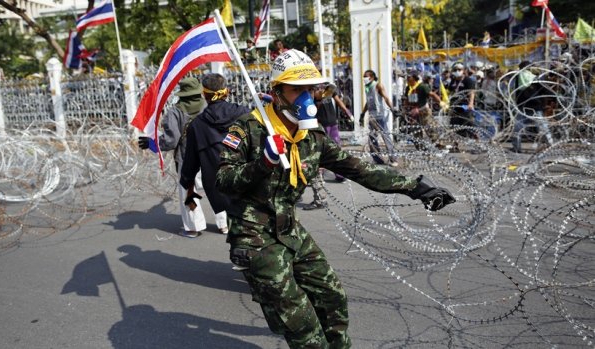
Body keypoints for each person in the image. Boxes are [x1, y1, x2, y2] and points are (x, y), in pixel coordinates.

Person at [215, 49, 456, 348]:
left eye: (310, 89)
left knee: (332, 297)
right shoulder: (249, 129)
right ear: (276, 93)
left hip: (289, 230)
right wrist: (261, 163)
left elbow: (362, 171)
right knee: (300, 321)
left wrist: (415, 187)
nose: (307, 98)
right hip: (255, 237)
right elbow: (223, 180)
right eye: (296, 90)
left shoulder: (312, 138)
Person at [180, 73, 250, 235]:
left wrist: (187, 183)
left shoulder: (196, 125)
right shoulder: (244, 113)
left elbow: (190, 162)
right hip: (245, 178)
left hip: (216, 183)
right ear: (226, 91)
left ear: (204, 95)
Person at [138, 78, 208, 237]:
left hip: (186, 159)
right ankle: (223, 225)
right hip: (208, 156)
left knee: (189, 192)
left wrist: (151, 144)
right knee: (215, 190)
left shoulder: (175, 112)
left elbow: (171, 141)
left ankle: (193, 228)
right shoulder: (207, 107)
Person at [302, 82, 354, 210]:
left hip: (332, 123)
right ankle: (320, 176)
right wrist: (319, 100)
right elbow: (313, 109)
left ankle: (340, 175)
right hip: (321, 124)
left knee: (334, 149)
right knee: (323, 151)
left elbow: (339, 101)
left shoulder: (329, 89)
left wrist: (348, 113)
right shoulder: (311, 91)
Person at [511, 61, 553, 153]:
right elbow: (545, 90)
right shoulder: (529, 78)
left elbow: (544, 90)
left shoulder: (529, 79)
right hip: (529, 107)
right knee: (542, 128)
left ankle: (516, 147)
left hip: (527, 107)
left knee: (519, 129)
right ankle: (551, 146)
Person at [359, 69, 398, 166]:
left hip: (380, 116)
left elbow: (386, 98)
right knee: (372, 139)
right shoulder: (367, 87)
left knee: (386, 137)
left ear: (371, 77)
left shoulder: (378, 85)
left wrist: (393, 109)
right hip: (372, 117)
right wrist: (362, 114)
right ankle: (378, 159)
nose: (364, 78)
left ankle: (393, 159)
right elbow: (368, 102)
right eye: (363, 76)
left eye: (366, 76)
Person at [404, 72, 445, 148]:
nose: (408, 80)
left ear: (415, 79)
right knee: (416, 131)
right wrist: (405, 108)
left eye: (410, 79)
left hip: (423, 111)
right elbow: (406, 99)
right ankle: (420, 147)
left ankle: (438, 145)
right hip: (414, 112)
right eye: (408, 79)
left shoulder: (422, 86)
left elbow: (432, 94)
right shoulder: (408, 88)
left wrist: (440, 102)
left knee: (430, 129)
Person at [447, 62, 476, 142]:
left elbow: (471, 93)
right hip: (455, 106)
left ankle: (479, 143)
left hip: (465, 106)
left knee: (469, 125)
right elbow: (450, 92)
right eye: (455, 69)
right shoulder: (453, 81)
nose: (457, 71)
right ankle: (454, 145)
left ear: (463, 70)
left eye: (459, 69)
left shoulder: (468, 80)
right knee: (453, 125)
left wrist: (471, 103)